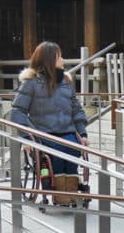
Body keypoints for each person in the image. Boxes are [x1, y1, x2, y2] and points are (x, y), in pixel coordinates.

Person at [11, 42, 89, 179]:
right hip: (44, 134)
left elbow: (76, 109)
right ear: (50, 60)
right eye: (59, 57)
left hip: (68, 133)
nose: (63, 60)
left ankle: (71, 186)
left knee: (73, 152)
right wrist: (26, 138)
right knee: (56, 157)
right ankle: (57, 187)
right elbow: (18, 111)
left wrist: (83, 133)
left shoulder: (66, 82)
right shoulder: (31, 83)